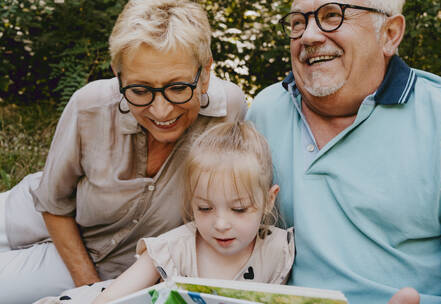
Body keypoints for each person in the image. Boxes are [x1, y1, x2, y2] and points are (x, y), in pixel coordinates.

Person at [246, 0, 441, 303]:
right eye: (297, 22)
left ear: (389, 34)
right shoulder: (265, 111)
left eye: (332, 15)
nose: (308, 35)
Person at [0, 0, 247, 303]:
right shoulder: (90, 105)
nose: (161, 110)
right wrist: (89, 288)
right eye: (140, 90)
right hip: (40, 215)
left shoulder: (230, 112)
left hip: (110, 263)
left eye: (178, 88)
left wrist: (97, 292)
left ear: (206, 74)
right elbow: (53, 204)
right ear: (118, 77)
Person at [33, 121, 294, 304]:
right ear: (191, 201)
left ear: (269, 200)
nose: (221, 224)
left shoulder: (277, 252)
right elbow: (109, 298)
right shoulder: (175, 248)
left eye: (239, 209)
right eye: (204, 208)